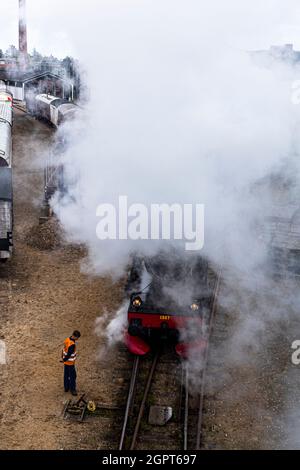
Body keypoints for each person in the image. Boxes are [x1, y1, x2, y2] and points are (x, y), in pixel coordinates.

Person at [61, 330, 81, 396]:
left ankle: (66, 388)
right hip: (70, 363)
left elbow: (64, 350)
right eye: (77, 337)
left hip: (66, 362)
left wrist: (63, 359)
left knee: (66, 375)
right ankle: (73, 389)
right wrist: (64, 360)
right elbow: (69, 354)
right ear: (75, 337)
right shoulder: (72, 345)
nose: (78, 339)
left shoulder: (67, 339)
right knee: (73, 376)